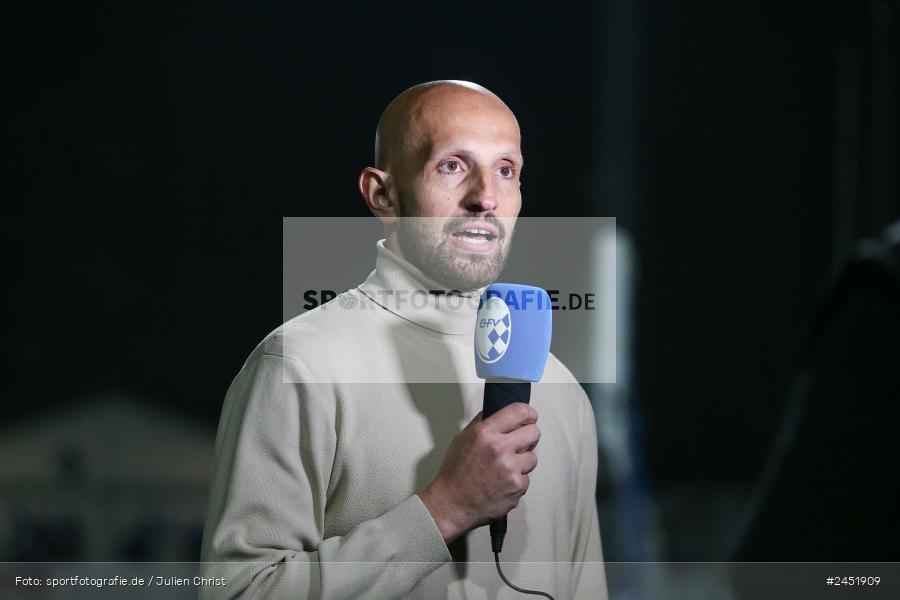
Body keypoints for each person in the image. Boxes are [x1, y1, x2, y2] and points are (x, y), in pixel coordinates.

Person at [199, 80, 607, 599]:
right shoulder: (300, 365)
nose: (486, 197)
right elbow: (238, 592)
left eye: (506, 170)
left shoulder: (563, 390)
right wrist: (443, 510)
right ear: (383, 194)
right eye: (452, 166)